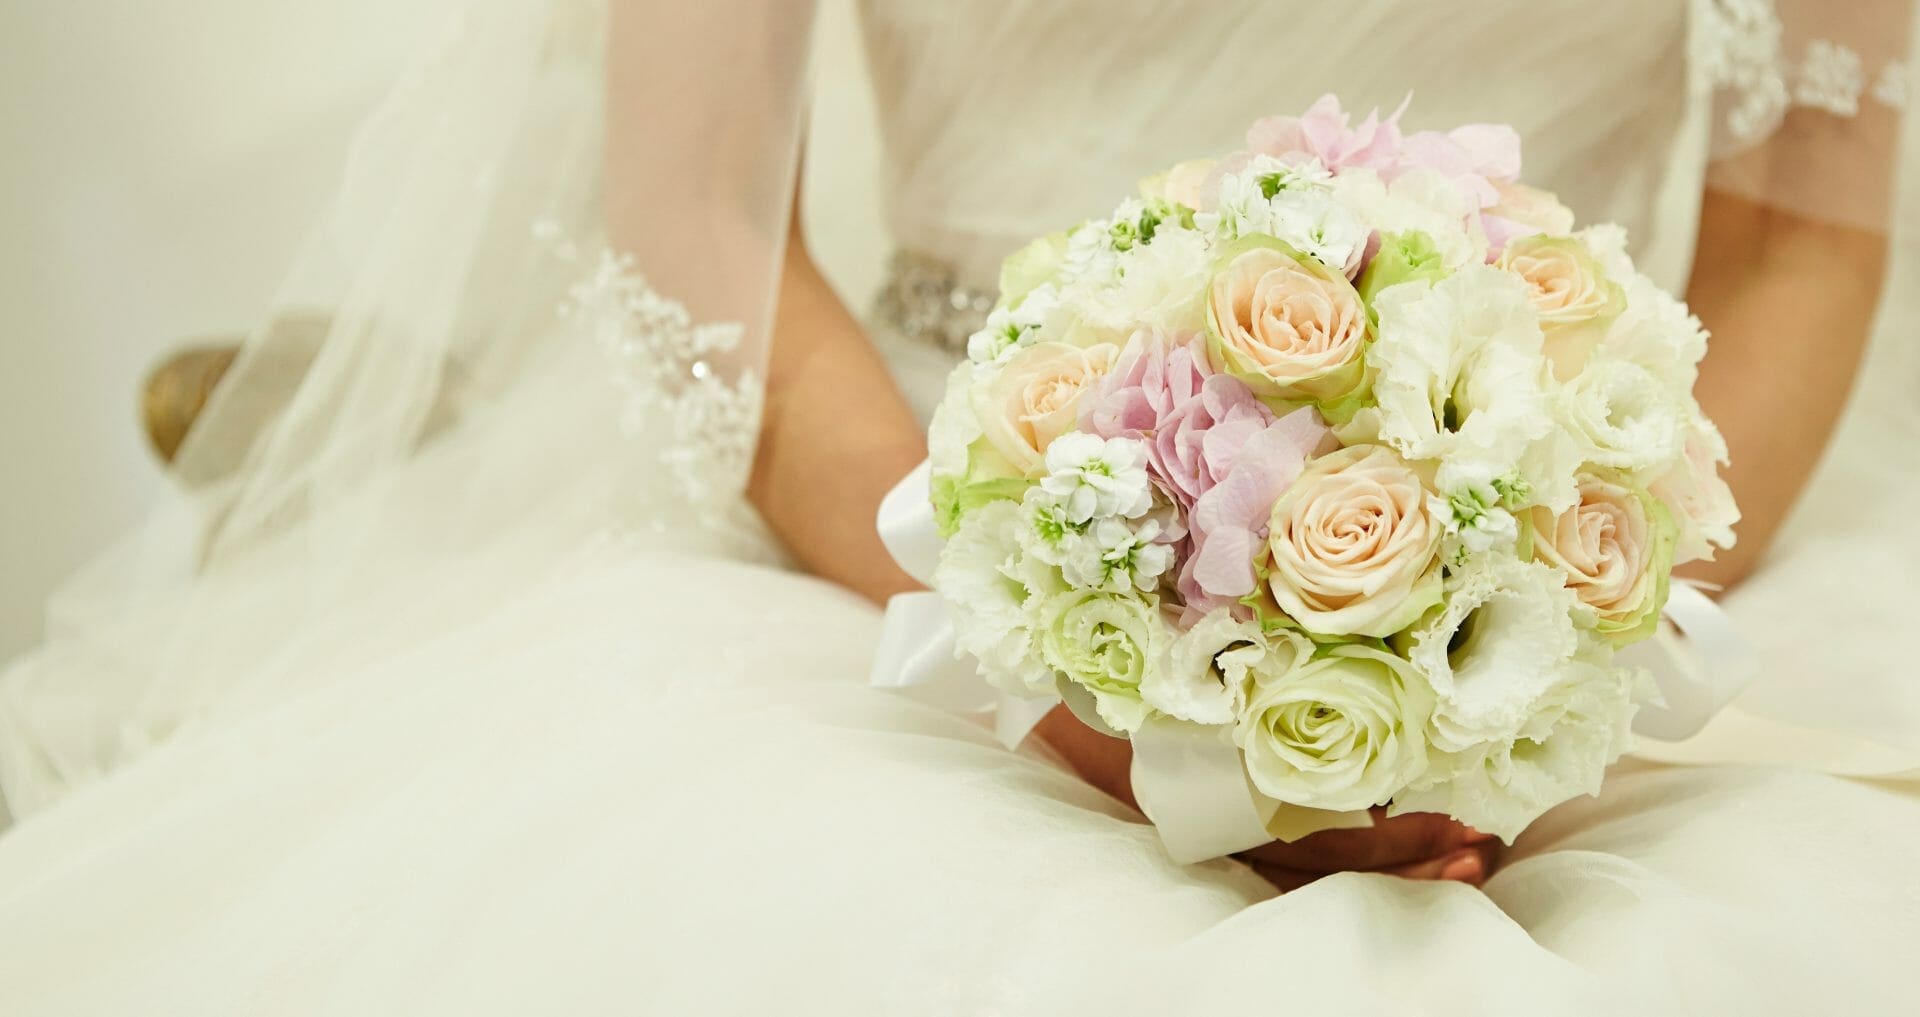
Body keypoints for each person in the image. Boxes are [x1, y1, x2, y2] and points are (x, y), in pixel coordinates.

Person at [0, 1, 1915, 1013]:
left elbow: (1798, 241)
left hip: (1609, 577)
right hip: (916, 557)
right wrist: (1074, 658)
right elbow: (702, 230)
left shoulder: (1573, 637)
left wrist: (1544, 668)